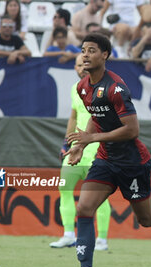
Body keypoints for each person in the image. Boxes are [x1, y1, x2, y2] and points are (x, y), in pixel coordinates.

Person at [63, 33, 151, 267]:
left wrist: (92, 137)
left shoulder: (116, 88)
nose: (85, 55)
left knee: (146, 218)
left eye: (91, 50)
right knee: (84, 208)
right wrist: (81, 145)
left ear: (105, 55)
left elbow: (132, 130)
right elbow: (95, 117)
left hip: (133, 162)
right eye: (83, 50)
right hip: (105, 159)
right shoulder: (83, 87)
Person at [50, 54, 111, 251]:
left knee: (99, 194)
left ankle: (101, 239)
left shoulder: (103, 88)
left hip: (96, 148)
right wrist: (66, 142)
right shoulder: (75, 90)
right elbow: (74, 117)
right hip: (75, 149)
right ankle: (68, 234)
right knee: (64, 189)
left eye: (84, 63)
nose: (82, 67)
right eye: (78, 64)